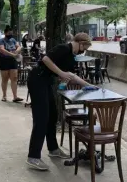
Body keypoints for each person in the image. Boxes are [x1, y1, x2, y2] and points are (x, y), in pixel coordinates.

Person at [26, 33, 95, 171]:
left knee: (52, 115)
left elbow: (72, 76)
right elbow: (46, 59)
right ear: (80, 43)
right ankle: (33, 157)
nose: (84, 50)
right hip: (37, 79)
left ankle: (53, 149)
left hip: (46, 82)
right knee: (42, 118)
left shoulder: (71, 57)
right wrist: (61, 73)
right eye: (85, 47)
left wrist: (88, 85)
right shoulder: (63, 48)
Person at [0, 25, 23, 103]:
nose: (10, 35)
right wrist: (12, 54)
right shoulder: (1, 41)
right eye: (9, 33)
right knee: (5, 79)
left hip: (13, 61)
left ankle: (15, 96)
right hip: (4, 60)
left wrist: (17, 51)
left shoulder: (13, 40)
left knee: (14, 78)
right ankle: (4, 95)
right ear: (5, 33)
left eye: (11, 33)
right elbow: (2, 49)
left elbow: (19, 47)